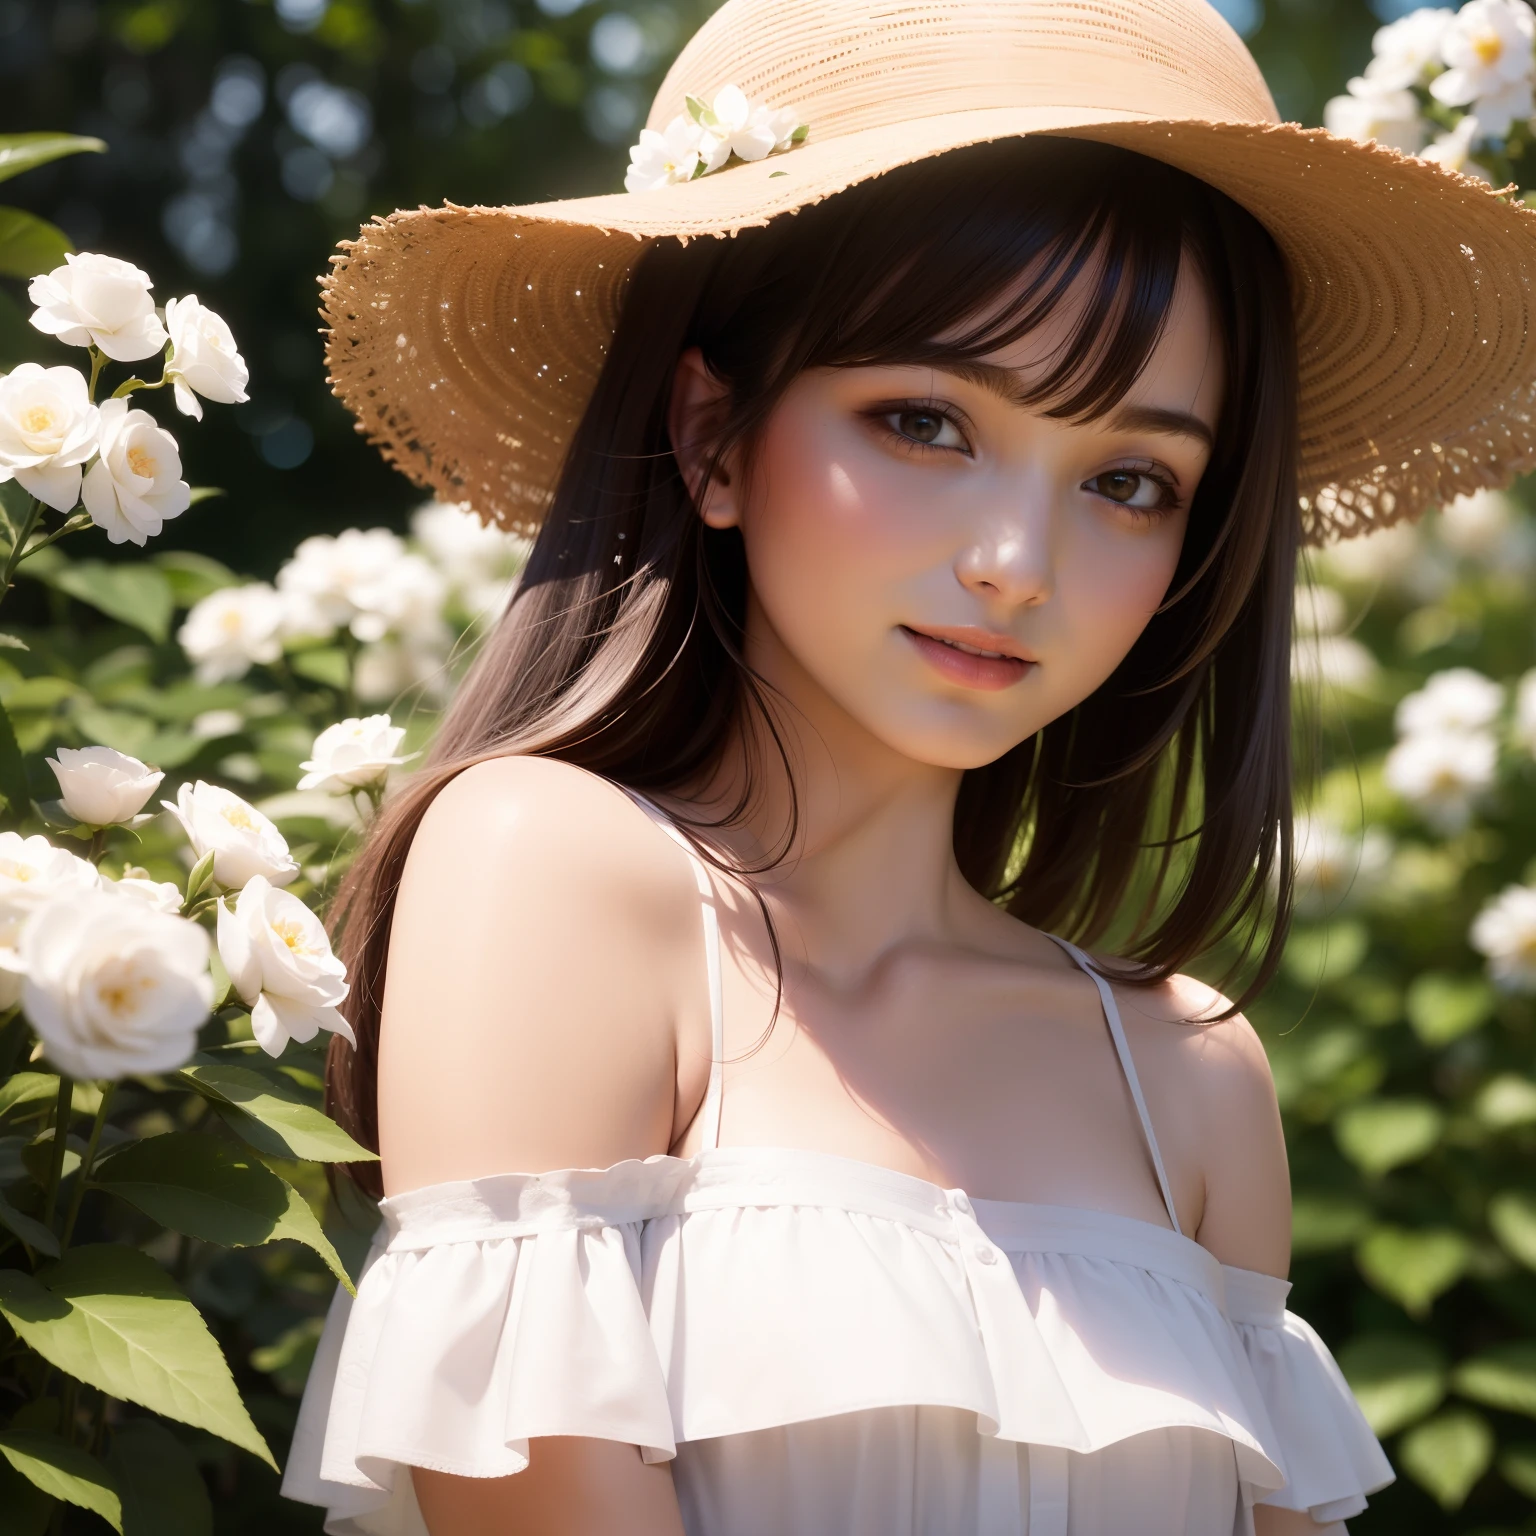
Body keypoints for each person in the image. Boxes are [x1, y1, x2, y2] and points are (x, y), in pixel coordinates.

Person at [280, 0, 1536, 1531]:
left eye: (1131, 480)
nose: (1018, 565)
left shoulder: (1194, 1079)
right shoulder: (555, 872)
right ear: (714, 435)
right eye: (926, 421)